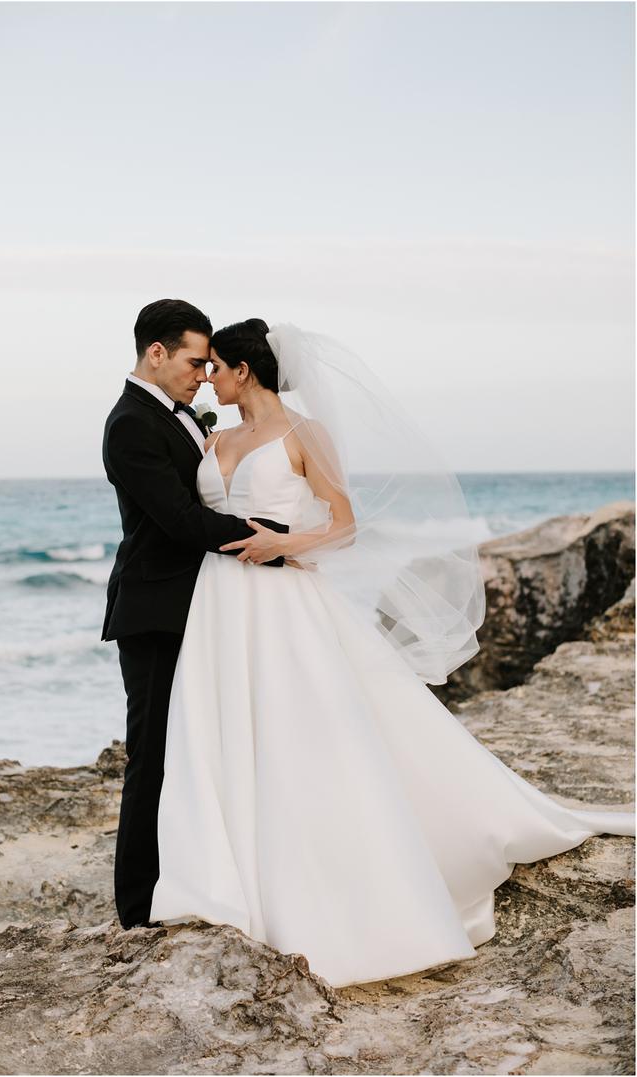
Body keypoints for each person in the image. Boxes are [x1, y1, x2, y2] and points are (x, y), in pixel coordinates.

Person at [146, 317, 635, 987]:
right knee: (220, 734)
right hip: (219, 605)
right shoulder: (216, 435)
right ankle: (224, 884)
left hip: (282, 597)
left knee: (304, 738)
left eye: (216, 367)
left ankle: (333, 894)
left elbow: (344, 524)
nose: (208, 377)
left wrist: (283, 545)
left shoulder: (303, 435)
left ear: (244, 370)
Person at [100, 299, 286, 930]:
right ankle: (136, 908)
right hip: (153, 609)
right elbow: (178, 520)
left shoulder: (177, 416)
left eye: (209, 366)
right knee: (150, 755)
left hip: (200, 608)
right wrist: (265, 536)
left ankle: (198, 876)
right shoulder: (130, 424)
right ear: (157, 353)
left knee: (200, 748)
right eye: (194, 362)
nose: (204, 376)